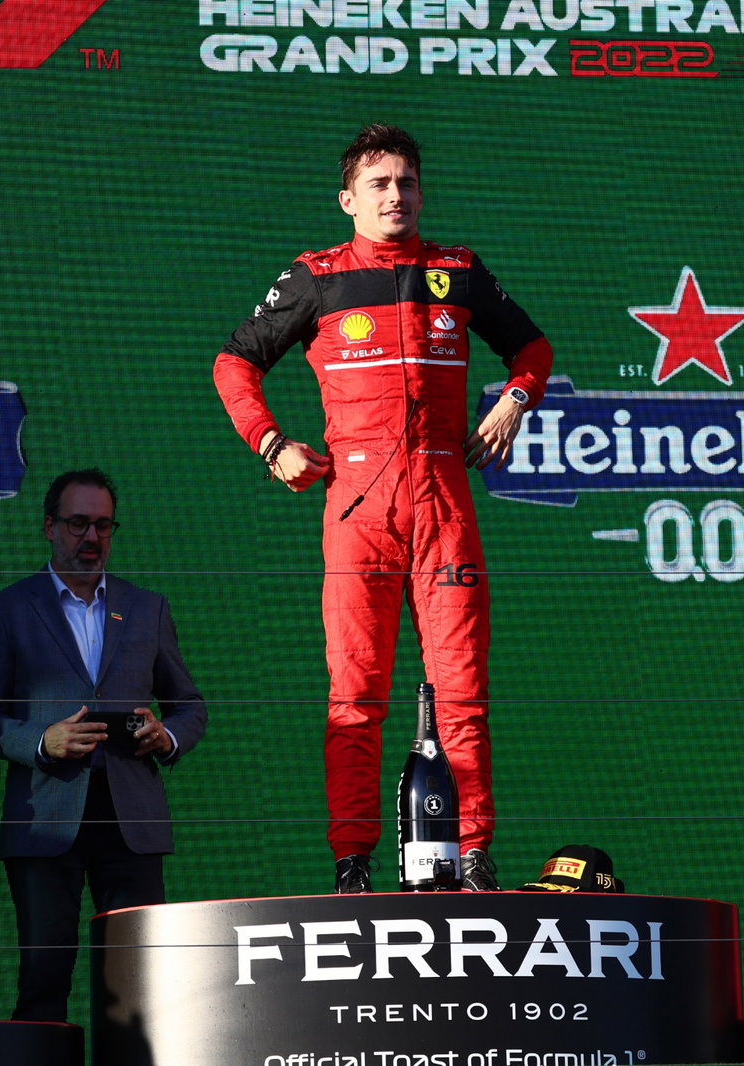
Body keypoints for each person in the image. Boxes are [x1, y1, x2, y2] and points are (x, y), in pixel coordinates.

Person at [212, 123, 553, 893]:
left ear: (421, 192)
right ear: (348, 199)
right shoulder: (317, 276)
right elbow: (233, 364)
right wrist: (271, 445)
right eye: (378, 184)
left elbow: (532, 350)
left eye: (406, 182)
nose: (395, 195)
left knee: (461, 690)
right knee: (355, 695)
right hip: (357, 507)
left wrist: (514, 402)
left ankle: (472, 856)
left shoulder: (457, 271)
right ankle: (352, 864)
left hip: (444, 506)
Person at [0, 468, 207, 1022]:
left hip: (132, 819)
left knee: (141, 984)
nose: (91, 537)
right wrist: (40, 742)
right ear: (49, 527)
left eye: (103, 525)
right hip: (44, 818)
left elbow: (189, 705)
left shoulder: (147, 608)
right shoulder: (5, 610)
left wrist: (165, 735)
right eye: (78, 523)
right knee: (44, 981)